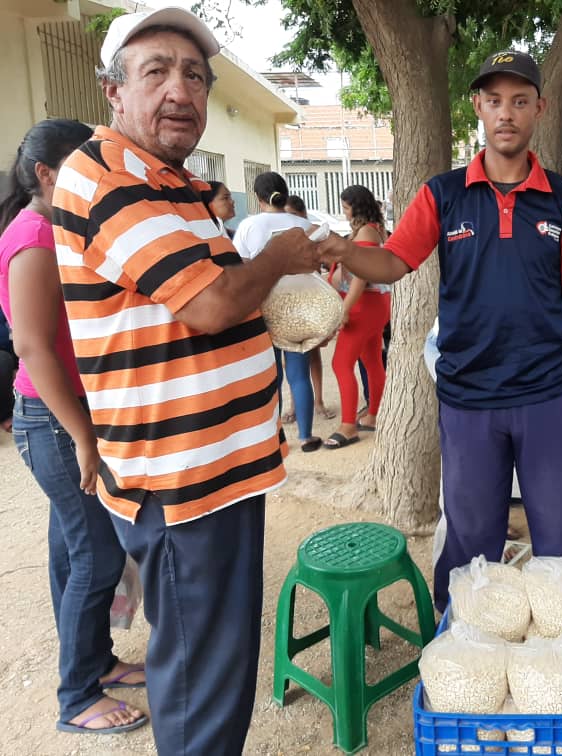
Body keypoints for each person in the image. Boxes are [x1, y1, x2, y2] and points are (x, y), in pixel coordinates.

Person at [51, 9, 330, 753]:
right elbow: (210, 304)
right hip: (179, 483)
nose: (181, 90)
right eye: (157, 72)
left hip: (219, 474)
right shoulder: (105, 177)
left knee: (220, 665)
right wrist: (281, 257)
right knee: (200, 683)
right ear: (114, 91)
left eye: (195, 76)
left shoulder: (174, 186)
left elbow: (215, 298)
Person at [317, 49, 562, 610]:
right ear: (478, 107)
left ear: (539, 109)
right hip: (469, 396)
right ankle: (462, 637)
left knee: (560, 537)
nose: (506, 113)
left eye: (520, 101)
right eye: (495, 101)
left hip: (547, 393)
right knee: (471, 539)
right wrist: (346, 251)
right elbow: (393, 262)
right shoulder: (444, 193)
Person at [1, 118, 150, 736]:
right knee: (98, 552)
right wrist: (85, 439)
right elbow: (34, 348)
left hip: (66, 415)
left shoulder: (56, 228)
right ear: (45, 174)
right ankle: (77, 696)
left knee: (72, 547)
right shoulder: (34, 237)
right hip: (56, 419)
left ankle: (96, 662)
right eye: (82, 164)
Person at [234, 171, 322, 452]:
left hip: (263, 307)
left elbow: (241, 269)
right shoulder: (305, 225)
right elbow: (316, 266)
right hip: (299, 307)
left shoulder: (249, 225)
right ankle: (306, 436)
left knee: (271, 376)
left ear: (258, 198)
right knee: (299, 374)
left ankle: (275, 438)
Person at [324, 185, 391, 448]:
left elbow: (361, 275)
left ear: (356, 207)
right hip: (374, 305)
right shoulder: (375, 229)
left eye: (345, 208)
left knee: (341, 364)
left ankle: (348, 426)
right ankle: (373, 414)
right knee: (372, 361)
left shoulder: (365, 232)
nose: (344, 212)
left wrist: (344, 309)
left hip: (363, 306)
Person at [284, 194, 337, 420]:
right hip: (288, 301)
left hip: (309, 299)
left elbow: (329, 263)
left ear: (302, 214)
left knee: (313, 352)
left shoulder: (311, 234)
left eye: (293, 215)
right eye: (286, 214)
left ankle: (318, 401)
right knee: (291, 357)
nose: (289, 220)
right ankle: (295, 405)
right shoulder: (283, 237)